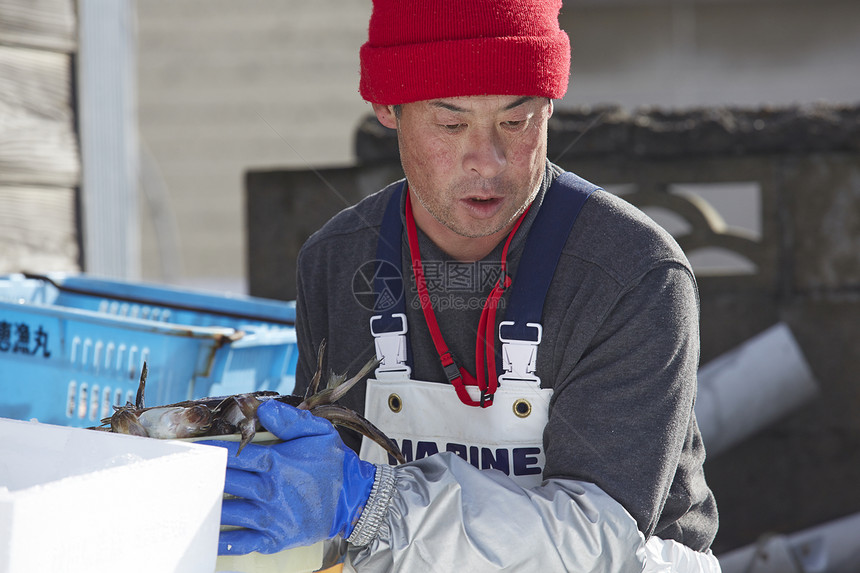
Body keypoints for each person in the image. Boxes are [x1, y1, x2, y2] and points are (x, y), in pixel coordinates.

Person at [207, 0, 720, 570]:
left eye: (515, 121)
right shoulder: (335, 261)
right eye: (451, 125)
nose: (487, 161)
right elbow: (328, 508)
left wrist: (371, 502)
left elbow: (596, 542)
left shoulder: (633, 273)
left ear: (550, 106)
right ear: (387, 106)